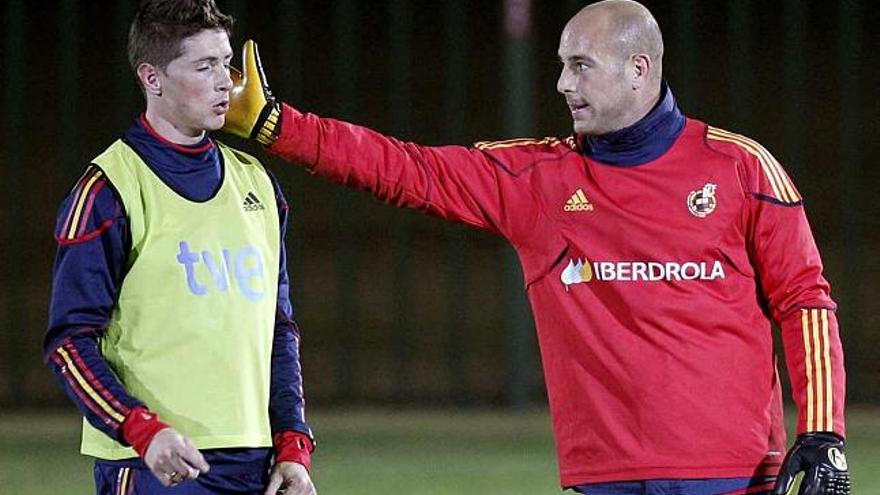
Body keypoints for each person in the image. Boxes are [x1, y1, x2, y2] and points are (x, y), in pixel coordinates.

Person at [224, 1, 852, 494]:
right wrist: (277, 126)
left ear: (639, 69)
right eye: (560, 64)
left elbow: (806, 301)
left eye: (581, 65)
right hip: (607, 474)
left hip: (737, 473)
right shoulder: (540, 181)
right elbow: (405, 168)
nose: (561, 84)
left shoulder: (741, 169)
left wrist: (823, 433)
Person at [43, 1, 316, 494]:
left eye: (226, 64)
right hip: (155, 466)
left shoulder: (257, 183)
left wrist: (293, 443)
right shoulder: (108, 189)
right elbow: (69, 343)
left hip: (256, 465)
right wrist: (140, 429)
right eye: (204, 66)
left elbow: (279, 329)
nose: (225, 83)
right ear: (152, 77)